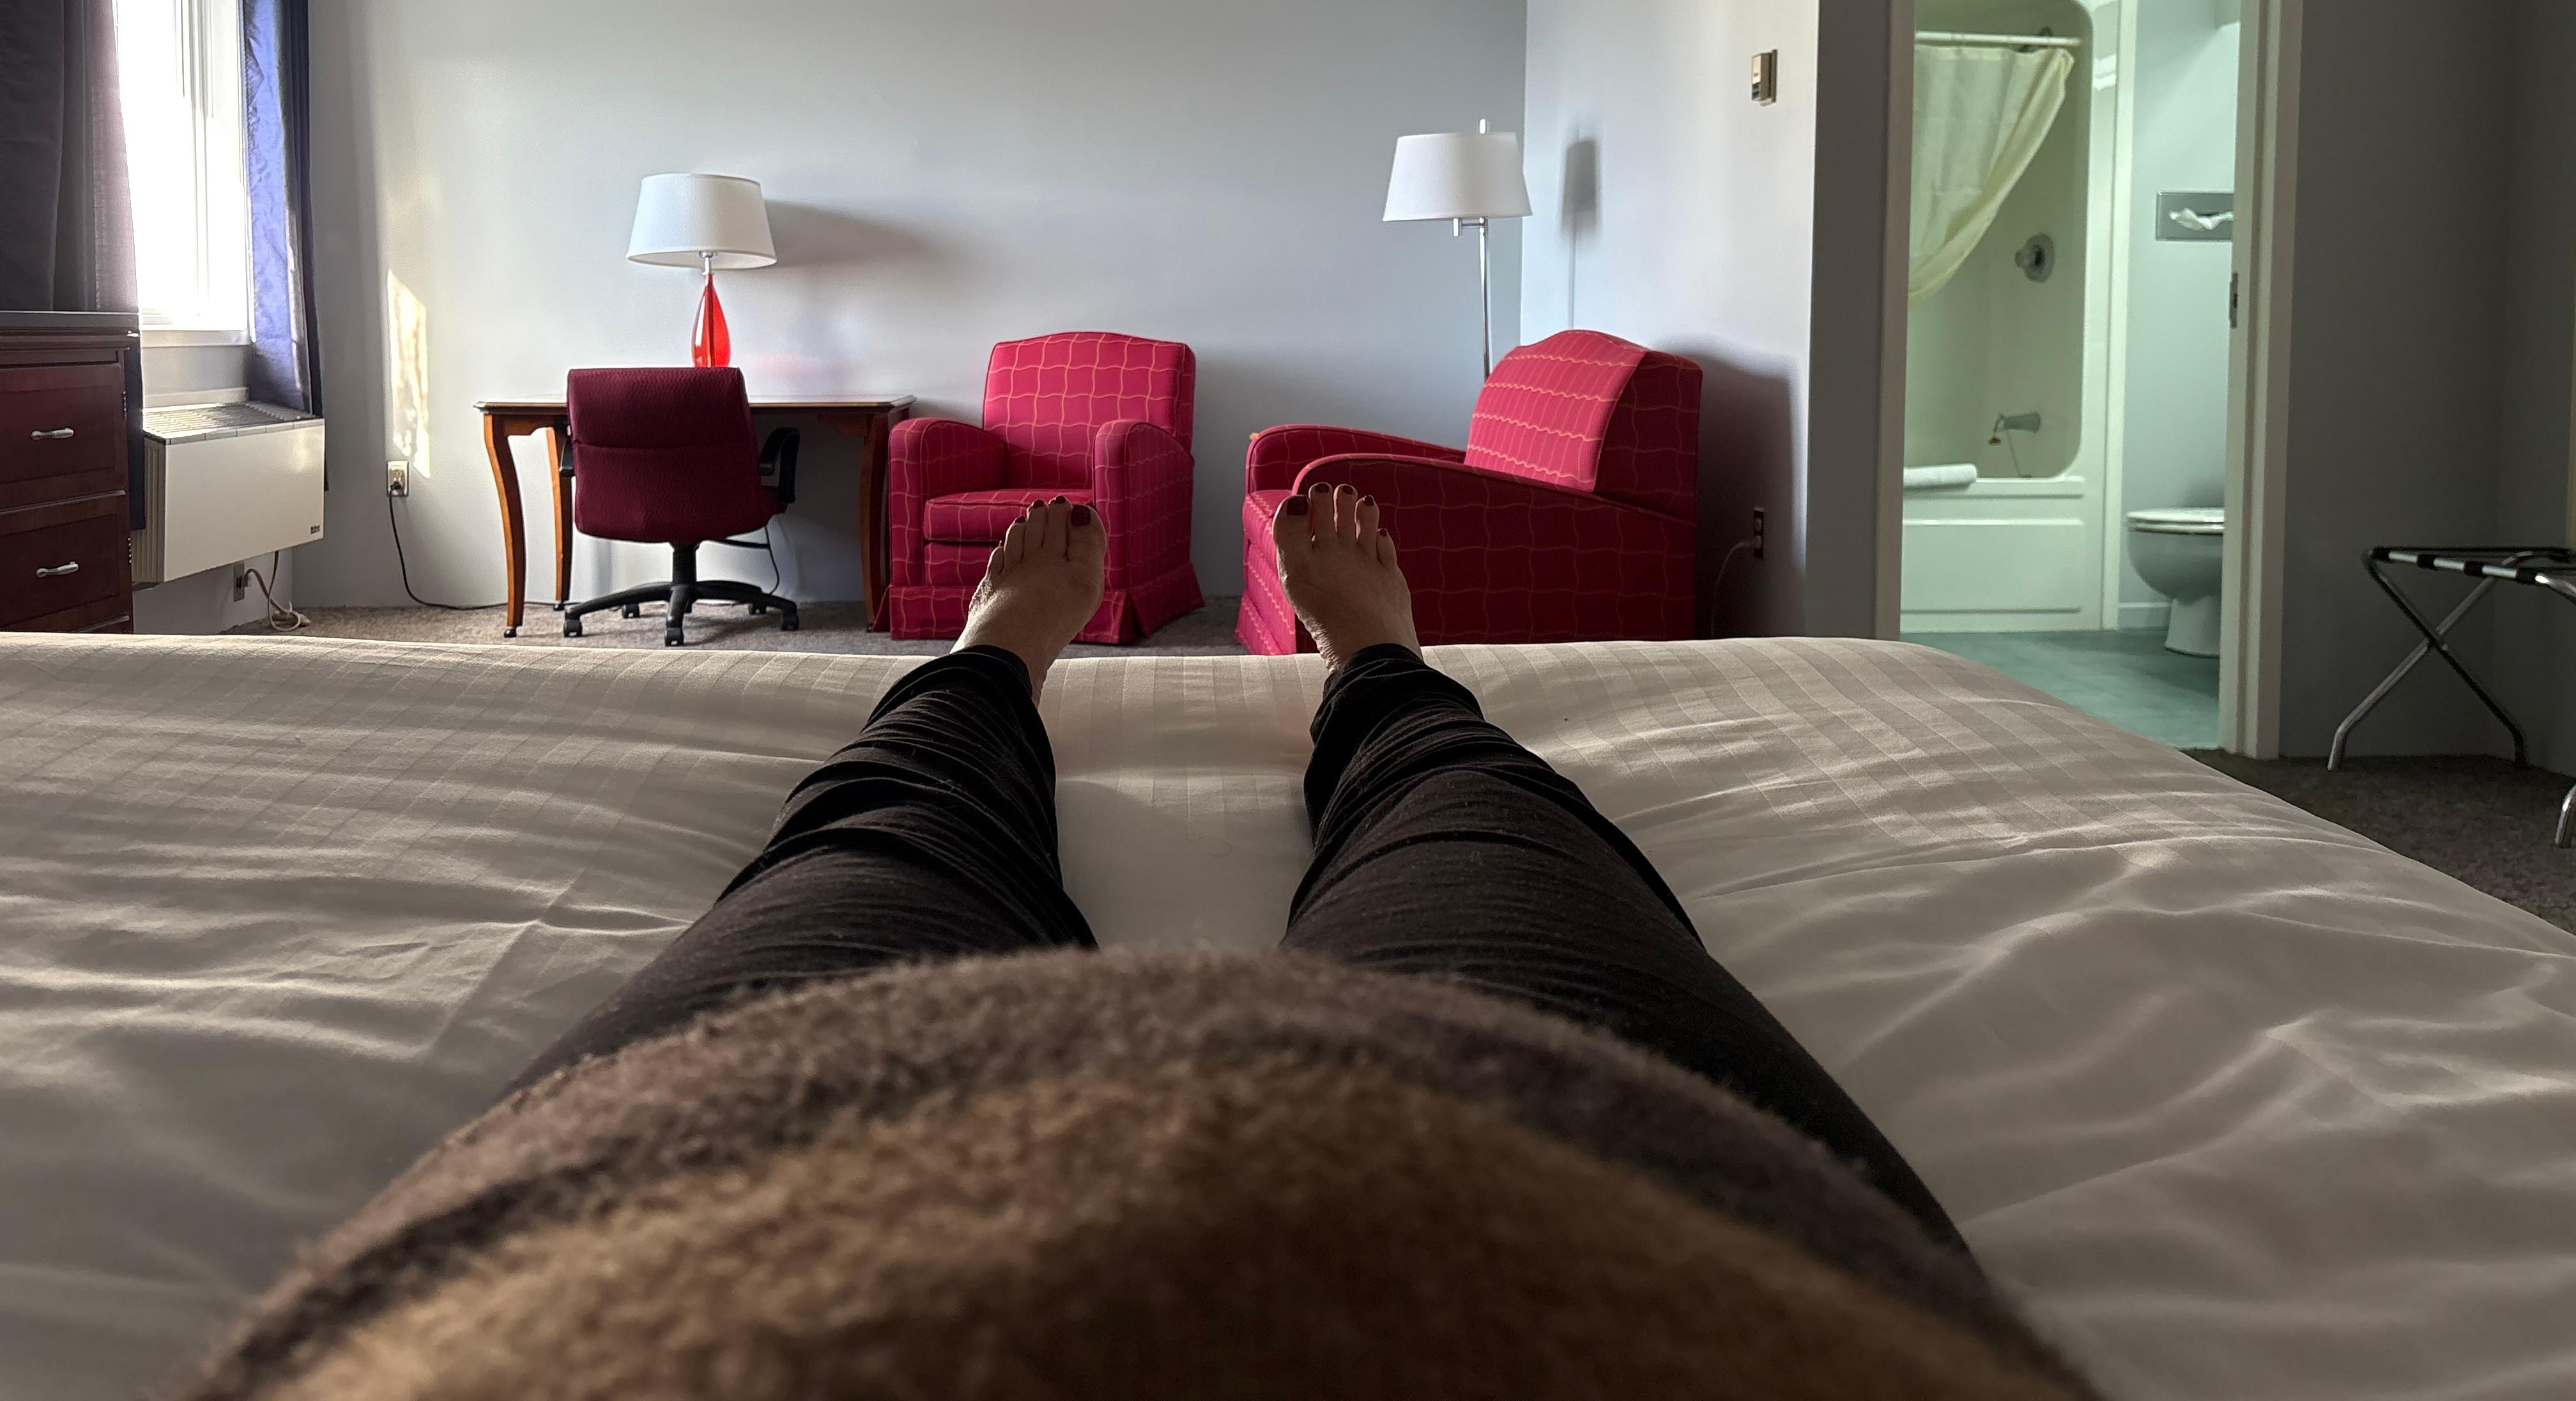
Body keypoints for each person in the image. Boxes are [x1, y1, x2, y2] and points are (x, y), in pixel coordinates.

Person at [181, 491, 2094, 1401]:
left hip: (644, 1215)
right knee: (1474, 818)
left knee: (888, 829)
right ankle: (1377, 673)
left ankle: (997, 663)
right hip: (1641, 1206)